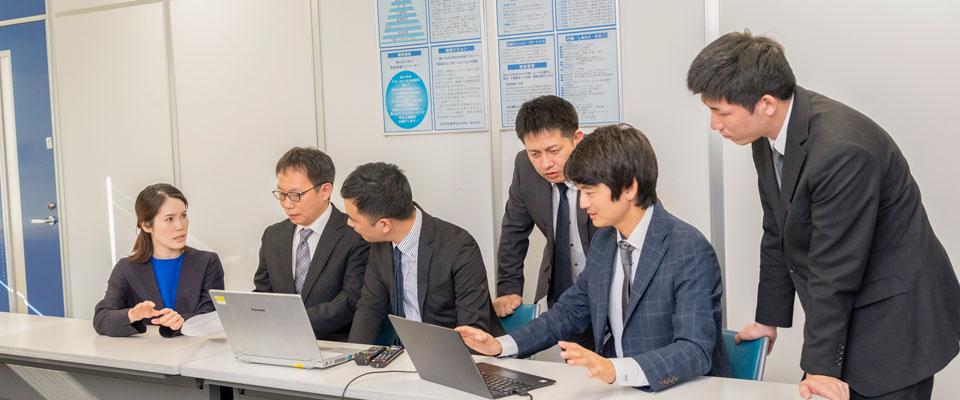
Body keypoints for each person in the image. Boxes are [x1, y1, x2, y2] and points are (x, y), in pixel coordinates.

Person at [687, 31, 960, 400]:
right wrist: (769, 320)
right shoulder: (767, 138)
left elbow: (835, 267)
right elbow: (777, 231)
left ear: (766, 103)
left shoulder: (840, 151)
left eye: (720, 112)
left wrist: (819, 367)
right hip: (848, 310)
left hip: (895, 321)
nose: (714, 125)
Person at [456, 124, 730, 391]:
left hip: (680, 390)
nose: (583, 203)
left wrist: (616, 370)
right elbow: (570, 311)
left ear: (629, 188)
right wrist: (501, 346)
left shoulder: (688, 249)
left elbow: (695, 349)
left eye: (590, 192)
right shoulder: (605, 240)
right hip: (619, 389)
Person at [342, 162, 500, 344]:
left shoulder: (459, 248)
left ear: (384, 224)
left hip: (452, 352)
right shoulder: (380, 244)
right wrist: (353, 356)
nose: (349, 223)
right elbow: (370, 308)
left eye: (353, 219)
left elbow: (473, 330)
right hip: (403, 352)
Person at [495, 95, 596, 326]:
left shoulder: (605, 161)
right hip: (560, 295)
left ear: (577, 138)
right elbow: (513, 232)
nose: (545, 164)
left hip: (609, 291)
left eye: (553, 150)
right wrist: (508, 290)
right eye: (535, 153)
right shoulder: (525, 167)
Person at [253, 147, 369, 341]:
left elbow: (352, 298)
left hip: (334, 344)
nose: (287, 204)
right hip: (280, 343)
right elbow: (264, 292)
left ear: (325, 190)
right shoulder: (273, 235)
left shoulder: (355, 234)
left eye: (295, 195)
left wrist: (296, 323)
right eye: (281, 194)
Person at [94, 183, 224, 337]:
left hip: (197, 348)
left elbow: (213, 317)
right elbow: (102, 318)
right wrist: (133, 314)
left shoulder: (207, 262)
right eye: (169, 219)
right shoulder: (126, 268)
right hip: (147, 350)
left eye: (183, 215)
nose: (180, 225)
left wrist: (181, 321)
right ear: (146, 225)